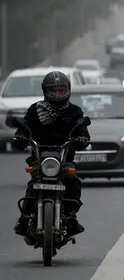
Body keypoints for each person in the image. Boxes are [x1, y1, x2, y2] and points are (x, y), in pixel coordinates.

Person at [13, 71, 90, 237]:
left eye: (61, 90)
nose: (58, 94)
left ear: (68, 90)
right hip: (39, 158)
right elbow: (24, 128)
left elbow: (82, 130)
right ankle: (24, 219)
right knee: (34, 183)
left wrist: (82, 138)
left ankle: (70, 218)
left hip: (63, 159)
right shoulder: (35, 110)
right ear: (45, 90)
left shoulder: (74, 111)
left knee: (72, 180)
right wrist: (21, 136)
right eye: (54, 90)